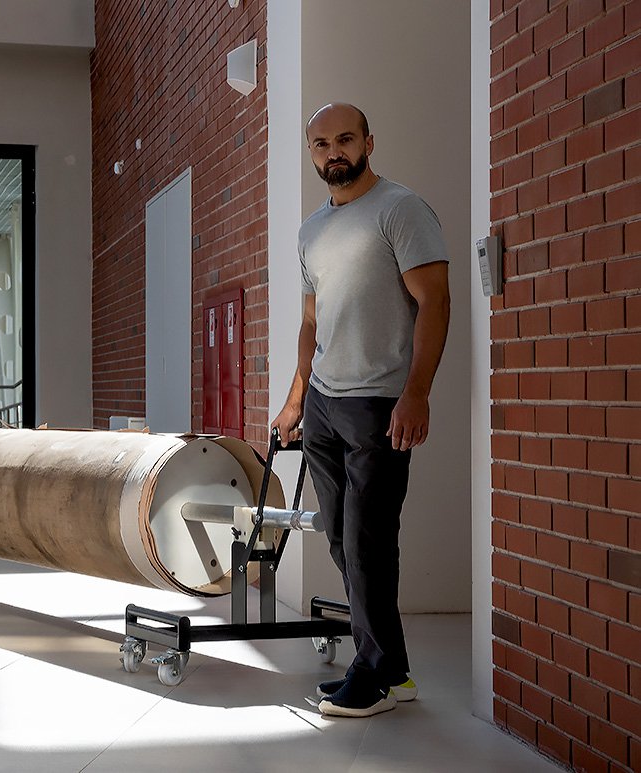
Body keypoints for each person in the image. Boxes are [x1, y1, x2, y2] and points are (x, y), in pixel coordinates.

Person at [270, 103, 450, 718]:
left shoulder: (401, 210)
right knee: (342, 541)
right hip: (323, 403)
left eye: (344, 139)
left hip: (379, 403)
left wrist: (417, 391)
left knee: (368, 540)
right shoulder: (312, 229)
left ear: (369, 141)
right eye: (320, 144)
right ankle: (390, 669)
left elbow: (435, 303)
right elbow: (311, 321)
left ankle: (372, 674)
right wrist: (296, 398)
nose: (332, 152)